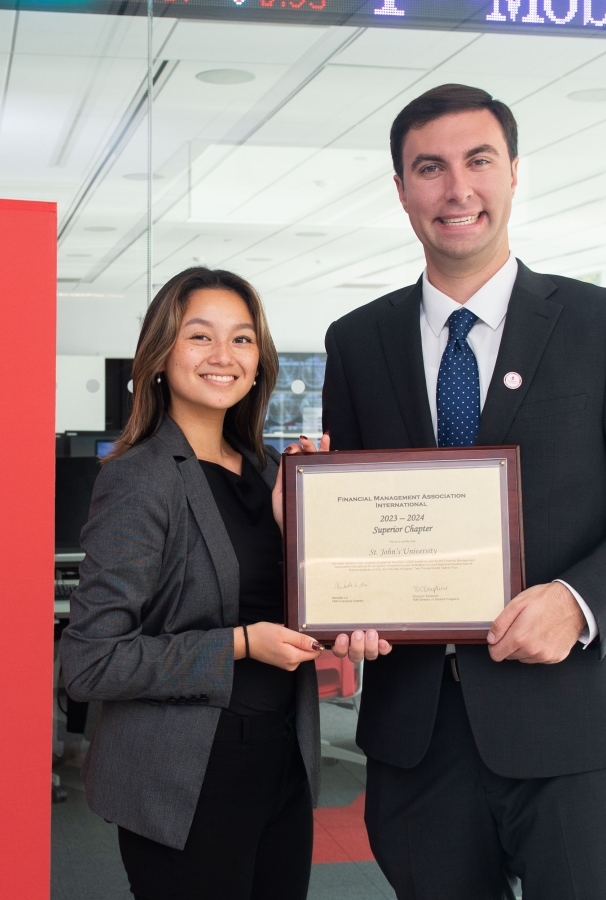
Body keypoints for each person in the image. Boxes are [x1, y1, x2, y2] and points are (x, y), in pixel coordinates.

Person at [321, 84, 606, 900]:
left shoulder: (603, 325)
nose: (456, 189)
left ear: (513, 173)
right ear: (401, 189)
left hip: (574, 730)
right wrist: (339, 597)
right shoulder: (357, 342)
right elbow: (351, 522)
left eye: (478, 161)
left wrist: (577, 602)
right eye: (430, 168)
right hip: (418, 740)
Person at [59, 267, 384, 900]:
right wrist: (241, 644)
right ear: (160, 355)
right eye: (199, 336)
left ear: (259, 361)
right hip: (187, 775)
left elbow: (297, 602)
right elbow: (91, 663)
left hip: (283, 756)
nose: (223, 355)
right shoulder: (140, 478)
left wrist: (311, 524)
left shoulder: (270, 471)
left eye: (241, 339)